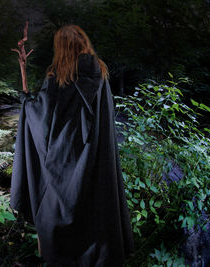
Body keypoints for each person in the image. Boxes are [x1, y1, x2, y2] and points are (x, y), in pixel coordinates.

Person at [10, 25, 134, 266]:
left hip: (64, 160)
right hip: (96, 160)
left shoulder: (58, 77)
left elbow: (42, 122)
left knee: (50, 213)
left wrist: (25, 97)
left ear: (61, 47)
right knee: (94, 211)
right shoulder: (100, 73)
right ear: (83, 43)